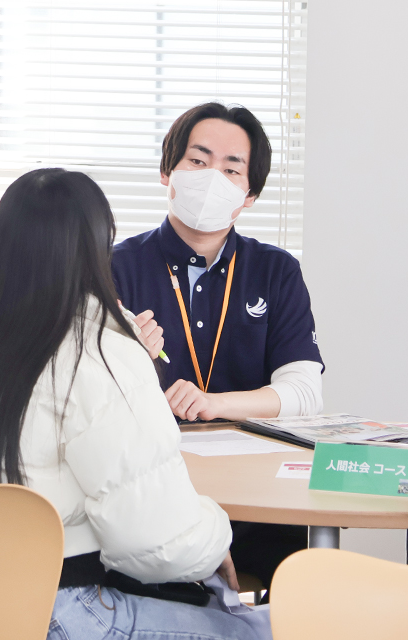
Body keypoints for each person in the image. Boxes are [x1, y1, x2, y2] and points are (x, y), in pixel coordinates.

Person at [0, 168, 270, 640]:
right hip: (49, 613)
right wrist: (216, 537)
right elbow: (158, 543)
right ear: (96, 250)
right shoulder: (97, 353)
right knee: (268, 628)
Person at [111, 102, 323, 594]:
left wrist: (214, 404)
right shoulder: (113, 268)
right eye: (198, 160)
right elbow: (83, 396)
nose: (211, 178)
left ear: (249, 195)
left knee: (300, 587)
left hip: (259, 504)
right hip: (152, 495)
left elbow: (304, 394)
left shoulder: (276, 271)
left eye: (231, 169)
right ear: (167, 172)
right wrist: (128, 355)